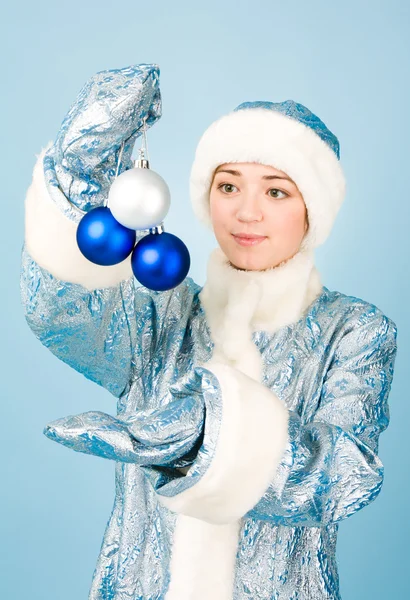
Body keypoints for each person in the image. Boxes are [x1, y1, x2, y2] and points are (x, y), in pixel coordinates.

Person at [20, 63, 398, 600]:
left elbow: (344, 476)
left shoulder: (353, 331)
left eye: (276, 192)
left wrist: (209, 431)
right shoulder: (166, 311)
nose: (247, 213)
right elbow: (61, 313)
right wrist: (80, 167)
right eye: (228, 186)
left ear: (314, 209)